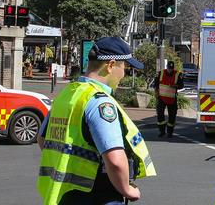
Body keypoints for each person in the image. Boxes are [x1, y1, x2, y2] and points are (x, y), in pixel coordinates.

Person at [37, 36, 156, 205]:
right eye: (124, 67)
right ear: (111, 65)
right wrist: (127, 189)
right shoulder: (100, 103)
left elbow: (42, 139)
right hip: (98, 196)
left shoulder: (67, 94)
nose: (124, 73)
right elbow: (115, 160)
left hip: (62, 194)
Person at [153, 60, 183, 137]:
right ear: (167, 67)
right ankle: (162, 131)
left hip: (172, 99)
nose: (170, 70)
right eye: (169, 68)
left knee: (172, 116)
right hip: (161, 98)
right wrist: (156, 92)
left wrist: (176, 86)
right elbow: (156, 84)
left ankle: (170, 132)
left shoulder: (178, 74)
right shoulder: (161, 73)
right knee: (160, 114)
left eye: (171, 68)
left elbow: (181, 85)